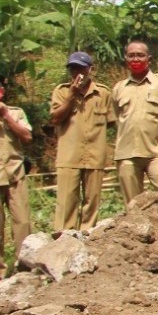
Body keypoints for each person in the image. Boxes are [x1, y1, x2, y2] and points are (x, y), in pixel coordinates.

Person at [49, 52, 113, 232]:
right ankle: (63, 240)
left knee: (92, 202)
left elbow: (112, 122)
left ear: (90, 69)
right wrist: (71, 97)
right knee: (66, 203)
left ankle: (87, 237)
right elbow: (55, 119)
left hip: (95, 156)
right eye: (73, 68)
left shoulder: (103, 93)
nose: (77, 72)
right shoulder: (61, 91)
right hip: (69, 156)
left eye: (81, 68)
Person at [111, 39, 158, 202]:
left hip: (156, 153)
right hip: (127, 155)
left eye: (140, 55)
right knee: (134, 205)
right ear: (126, 59)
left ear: (149, 59)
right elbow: (117, 119)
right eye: (131, 55)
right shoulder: (119, 88)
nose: (135, 59)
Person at [0, 75, 33, 259]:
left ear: (2, 92)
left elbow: (27, 137)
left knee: (23, 223)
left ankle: (25, 266)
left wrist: (6, 117)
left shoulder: (16, 112)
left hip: (15, 175)